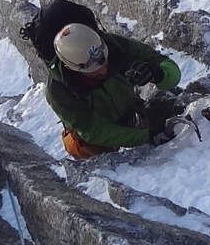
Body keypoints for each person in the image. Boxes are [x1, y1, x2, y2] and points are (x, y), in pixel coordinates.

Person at [34, 9, 184, 159]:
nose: (103, 69)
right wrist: (146, 136)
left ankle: (136, 120)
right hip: (93, 135)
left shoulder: (116, 46)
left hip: (129, 109)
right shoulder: (58, 91)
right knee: (81, 145)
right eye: (93, 69)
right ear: (70, 67)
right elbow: (93, 130)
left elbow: (169, 69)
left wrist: (159, 73)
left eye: (104, 61)